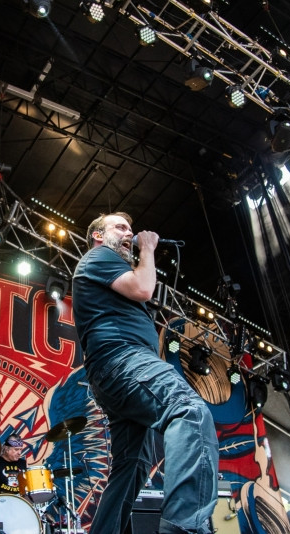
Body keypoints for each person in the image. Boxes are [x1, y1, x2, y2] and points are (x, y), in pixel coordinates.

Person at [71, 212, 218, 534]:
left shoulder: (109, 265)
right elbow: (143, 288)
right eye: (120, 227)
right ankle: (185, 528)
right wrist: (147, 249)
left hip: (117, 370)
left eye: (131, 229)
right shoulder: (99, 256)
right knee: (189, 411)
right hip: (123, 360)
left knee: (131, 467)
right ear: (98, 235)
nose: (129, 233)